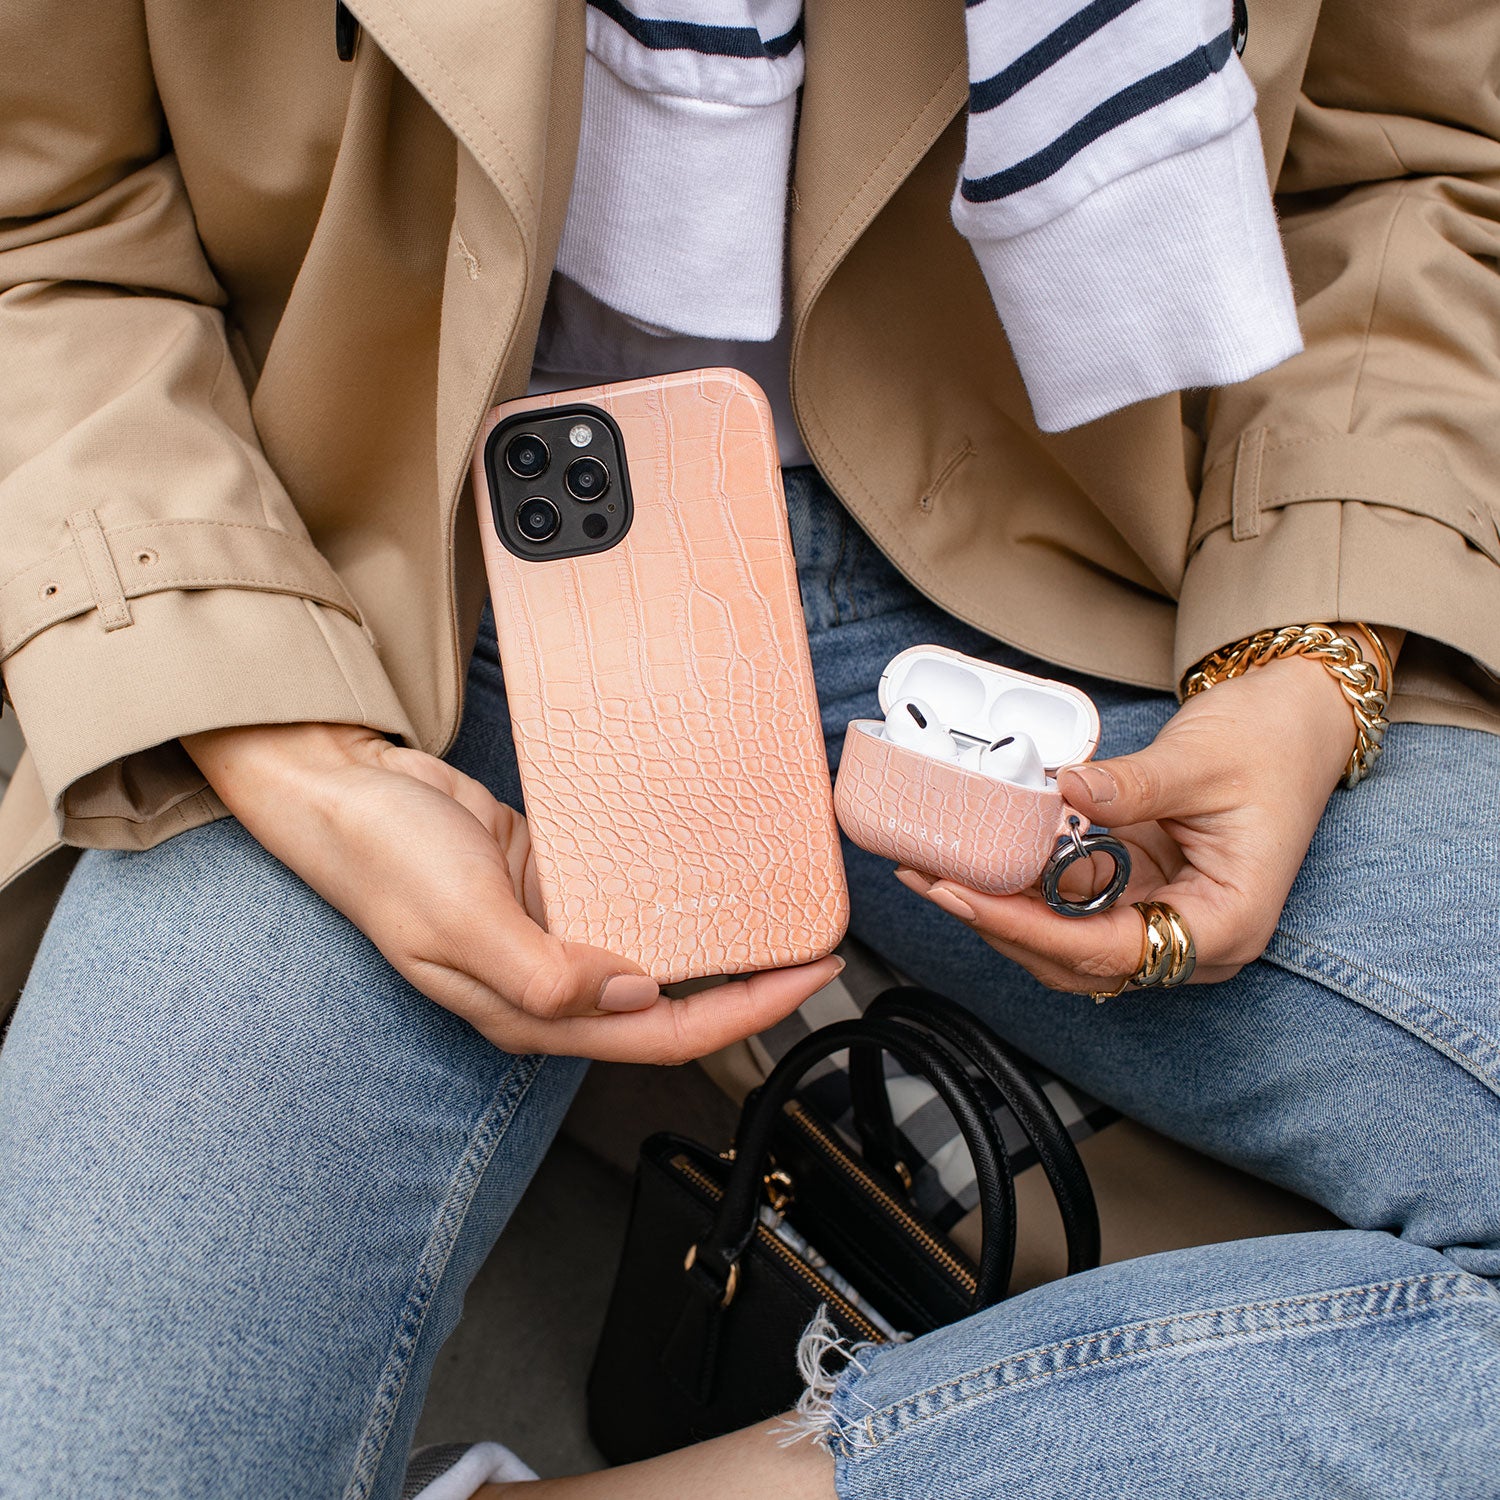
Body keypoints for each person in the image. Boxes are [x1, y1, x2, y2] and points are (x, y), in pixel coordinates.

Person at [0, 1, 1497, 1497]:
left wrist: (1313, 655)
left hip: (1076, 552)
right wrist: (293, 746)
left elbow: (1418, 152)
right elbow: (38, 215)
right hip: (361, 573)